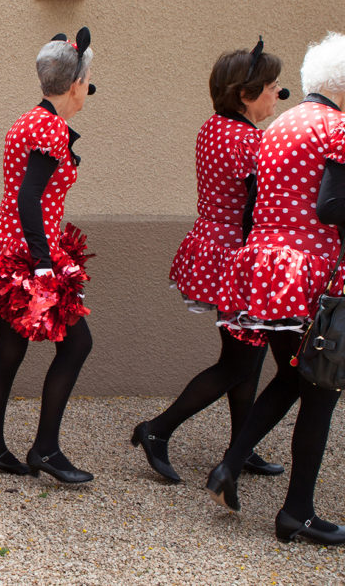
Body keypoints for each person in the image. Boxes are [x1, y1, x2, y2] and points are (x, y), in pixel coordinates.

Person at [206, 32, 345, 545]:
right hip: (310, 274)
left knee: (292, 378)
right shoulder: (338, 128)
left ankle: (229, 466)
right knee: (321, 389)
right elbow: (332, 207)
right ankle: (298, 513)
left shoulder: (281, 126)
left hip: (266, 269)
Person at [132, 40, 288, 482]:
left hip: (211, 250)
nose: (279, 94)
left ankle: (242, 448)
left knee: (246, 356)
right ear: (245, 93)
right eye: (273, 86)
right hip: (238, 257)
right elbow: (261, 209)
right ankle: (157, 430)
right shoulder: (253, 143)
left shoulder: (212, 129)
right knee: (239, 362)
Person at [0, 29, 96, 483]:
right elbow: (29, 196)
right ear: (75, 82)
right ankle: (45, 449)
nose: (89, 87)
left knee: (8, 352)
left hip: (14, 246)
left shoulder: (28, 121)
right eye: (88, 77)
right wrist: (42, 262)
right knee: (77, 344)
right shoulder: (50, 127)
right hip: (29, 253)